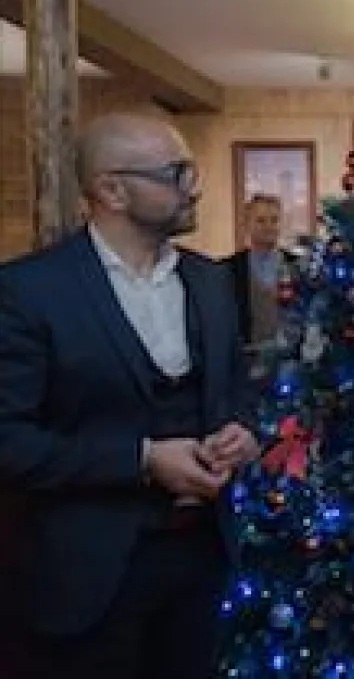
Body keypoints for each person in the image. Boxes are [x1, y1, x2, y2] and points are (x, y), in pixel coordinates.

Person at [0, 112, 260, 679]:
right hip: (86, 577)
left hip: (203, 563)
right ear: (112, 190)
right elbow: (9, 442)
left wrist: (243, 433)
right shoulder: (28, 292)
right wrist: (141, 460)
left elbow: (237, 392)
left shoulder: (210, 281)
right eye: (176, 173)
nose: (194, 187)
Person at [225, 193, 287, 347]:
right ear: (247, 225)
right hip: (245, 354)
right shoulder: (228, 268)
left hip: (289, 355)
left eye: (274, 220)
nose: (269, 226)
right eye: (261, 220)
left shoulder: (298, 265)